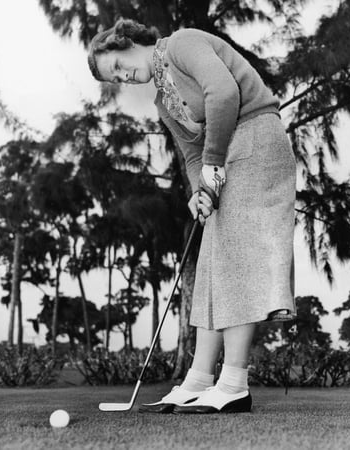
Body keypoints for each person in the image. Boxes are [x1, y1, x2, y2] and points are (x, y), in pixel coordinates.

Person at [87, 19, 296, 414]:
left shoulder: (181, 44)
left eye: (116, 65)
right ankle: (198, 379)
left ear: (127, 42)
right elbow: (193, 154)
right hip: (226, 157)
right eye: (114, 80)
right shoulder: (162, 101)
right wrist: (199, 190)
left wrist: (214, 164)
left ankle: (234, 382)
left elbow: (223, 93)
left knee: (239, 262)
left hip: (257, 139)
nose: (123, 77)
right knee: (213, 267)